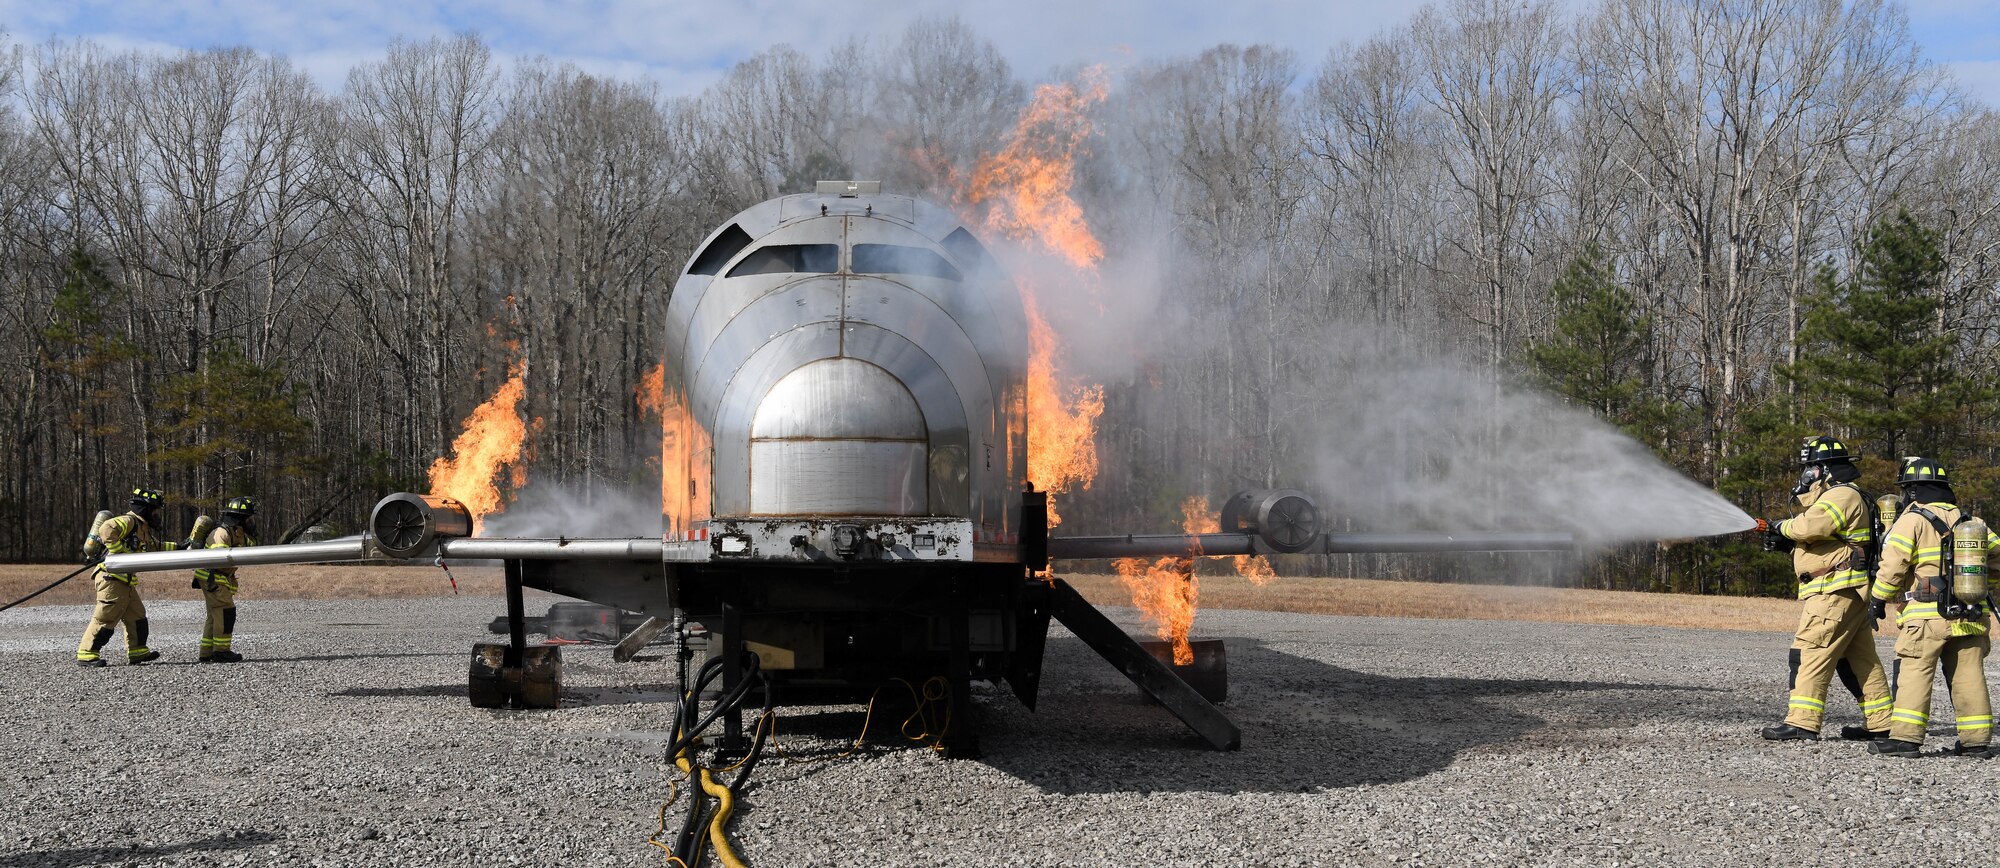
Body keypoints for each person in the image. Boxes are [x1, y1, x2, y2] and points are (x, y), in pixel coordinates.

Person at [1758, 436, 1895, 741]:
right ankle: (1882, 722)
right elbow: (1824, 540)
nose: (1805, 474)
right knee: (1860, 660)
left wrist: (1781, 527)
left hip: (1835, 591)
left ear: (1822, 470)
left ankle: (1802, 722)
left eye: (1809, 467)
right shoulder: (1836, 497)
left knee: (1810, 650)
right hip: (1846, 590)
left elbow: (1811, 527)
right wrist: (1788, 543)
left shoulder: (1841, 495)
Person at [1867, 457, 1994, 758]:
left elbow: (1893, 565)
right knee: (1969, 675)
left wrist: (1877, 600)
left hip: (1927, 616)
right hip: (1970, 612)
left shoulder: (1911, 519)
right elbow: (1995, 557)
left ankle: (1905, 740)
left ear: (1912, 491)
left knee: (1915, 670)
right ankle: (1976, 742)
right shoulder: (1970, 522)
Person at [76, 488, 168, 668]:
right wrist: (121, 553)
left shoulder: (142, 528)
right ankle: (86, 653)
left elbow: (155, 547)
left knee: (137, 615)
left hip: (124, 580)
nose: (157, 515)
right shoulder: (129, 521)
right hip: (111, 577)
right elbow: (106, 528)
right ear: (146, 509)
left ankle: (137, 651)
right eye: (155, 510)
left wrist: (181, 547)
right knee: (106, 616)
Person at [195, 496, 256, 663]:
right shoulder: (221, 533)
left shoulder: (237, 532)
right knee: (225, 611)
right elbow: (219, 560)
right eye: (248, 518)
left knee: (214, 615)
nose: (251, 522)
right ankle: (221, 651)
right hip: (213, 577)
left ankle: (206, 652)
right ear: (239, 518)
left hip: (218, 578)